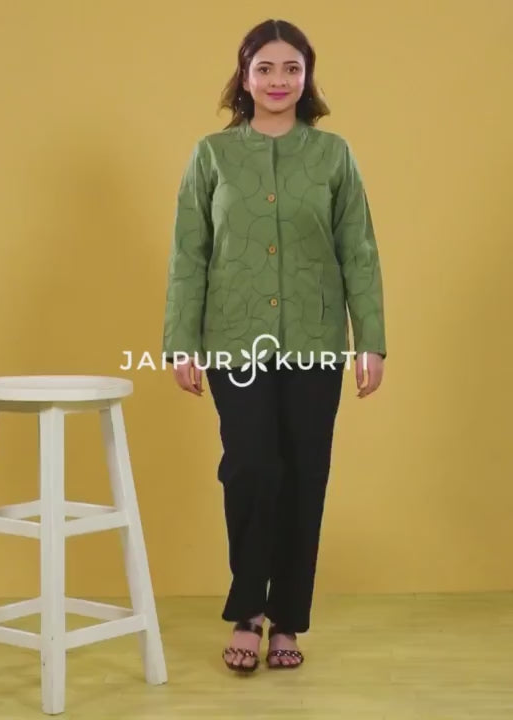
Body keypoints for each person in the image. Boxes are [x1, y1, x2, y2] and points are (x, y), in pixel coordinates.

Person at [162, 18, 387, 673]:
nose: (279, 80)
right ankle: (248, 609)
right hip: (233, 341)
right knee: (252, 468)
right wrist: (181, 342)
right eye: (265, 68)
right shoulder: (212, 155)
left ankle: (287, 621)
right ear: (245, 75)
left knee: (304, 475)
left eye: (292, 68)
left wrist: (370, 342)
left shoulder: (333, 155)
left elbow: (359, 251)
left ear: (307, 77)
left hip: (316, 341)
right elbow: (189, 254)